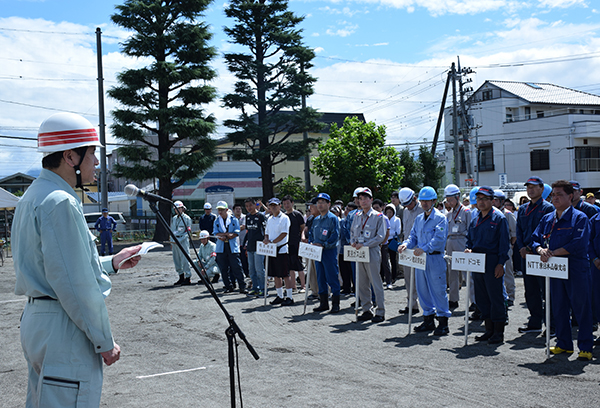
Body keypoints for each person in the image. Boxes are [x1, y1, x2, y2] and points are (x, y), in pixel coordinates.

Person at [13, 112, 142, 408]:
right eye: (93, 152)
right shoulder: (61, 201)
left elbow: (57, 265)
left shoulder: (32, 196)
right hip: (63, 326)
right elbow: (75, 283)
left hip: (38, 321)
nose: (97, 162)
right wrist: (104, 341)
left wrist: (112, 262)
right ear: (70, 156)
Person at [532, 180, 593, 361]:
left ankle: (585, 346)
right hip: (555, 270)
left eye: (560, 195)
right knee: (558, 307)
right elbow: (535, 238)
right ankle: (564, 344)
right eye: (553, 195)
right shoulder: (547, 218)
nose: (555, 198)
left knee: (581, 309)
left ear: (571, 196)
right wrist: (540, 250)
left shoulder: (579, 218)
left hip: (575, 270)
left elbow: (578, 243)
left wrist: (551, 253)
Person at [399, 186, 451, 335]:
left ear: (434, 201)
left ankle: (443, 321)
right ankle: (428, 319)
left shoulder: (440, 218)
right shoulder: (419, 218)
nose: (425, 204)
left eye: (428, 201)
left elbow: (439, 239)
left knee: (438, 290)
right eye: (422, 201)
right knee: (422, 290)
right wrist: (405, 244)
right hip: (420, 259)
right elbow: (412, 236)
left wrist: (424, 248)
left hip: (434, 257)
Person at [466, 186, 510, 344]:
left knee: (495, 297)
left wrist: (500, 263)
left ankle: (498, 332)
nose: (481, 202)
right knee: (482, 297)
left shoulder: (499, 218)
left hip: (492, 262)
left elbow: (504, 244)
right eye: (479, 199)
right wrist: (468, 249)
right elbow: (470, 240)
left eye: (485, 199)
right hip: (477, 261)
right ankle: (488, 330)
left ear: (492, 201)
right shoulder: (475, 218)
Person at [516, 176, 555, 333]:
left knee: (546, 290)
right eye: (528, 187)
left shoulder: (548, 208)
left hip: (542, 255)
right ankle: (535, 322)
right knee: (530, 289)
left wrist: (538, 249)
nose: (530, 190)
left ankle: (551, 324)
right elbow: (519, 230)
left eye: (534, 187)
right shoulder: (523, 209)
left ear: (541, 189)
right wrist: (521, 247)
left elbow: (549, 231)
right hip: (527, 255)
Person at [350, 187, 387, 323]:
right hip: (359, 252)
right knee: (362, 282)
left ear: (371, 200)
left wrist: (365, 245)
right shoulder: (357, 216)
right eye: (360, 199)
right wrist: (353, 242)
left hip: (371, 251)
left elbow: (380, 237)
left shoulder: (378, 216)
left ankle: (380, 311)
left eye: (365, 198)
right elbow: (352, 233)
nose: (363, 201)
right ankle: (367, 310)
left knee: (375, 282)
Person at [309, 193, 341, 313]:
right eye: (318, 202)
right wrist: (312, 243)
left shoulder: (333, 218)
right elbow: (311, 234)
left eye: (323, 202)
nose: (320, 204)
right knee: (320, 277)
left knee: (332, 276)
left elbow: (335, 235)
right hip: (317, 252)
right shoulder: (316, 219)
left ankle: (336, 303)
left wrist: (324, 244)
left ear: (329, 204)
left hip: (328, 251)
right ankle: (323, 303)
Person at [444, 184, 472, 309]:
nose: (449, 202)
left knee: (468, 273)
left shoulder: (466, 212)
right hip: (450, 242)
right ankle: (453, 299)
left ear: (457, 197)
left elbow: (471, 230)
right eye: (447, 200)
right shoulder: (448, 214)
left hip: (462, 241)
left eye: (451, 199)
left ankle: (474, 301)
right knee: (452, 272)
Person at [264, 198, 295, 306]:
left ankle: (290, 297)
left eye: (275, 205)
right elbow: (267, 232)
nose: (273, 207)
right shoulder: (269, 219)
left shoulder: (285, 218)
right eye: (271, 205)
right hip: (272, 250)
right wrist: (266, 239)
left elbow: (284, 233)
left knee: (285, 274)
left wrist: (272, 241)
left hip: (282, 249)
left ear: (279, 206)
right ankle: (280, 296)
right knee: (276, 275)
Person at [213, 201, 247, 294]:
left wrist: (224, 235)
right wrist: (226, 234)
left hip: (232, 246)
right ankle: (228, 286)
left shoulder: (233, 219)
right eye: (219, 210)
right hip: (221, 247)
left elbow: (236, 233)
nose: (220, 212)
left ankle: (242, 286)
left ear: (227, 210)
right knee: (223, 268)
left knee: (236, 266)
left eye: (222, 210)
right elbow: (215, 233)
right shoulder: (216, 220)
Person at [398, 187, 423, 314]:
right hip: (407, 248)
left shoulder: (422, 210)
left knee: (421, 279)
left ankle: (426, 307)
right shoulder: (406, 211)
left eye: (409, 204)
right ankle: (411, 304)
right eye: (405, 205)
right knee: (408, 278)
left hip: (420, 250)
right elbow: (405, 230)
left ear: (414, 198)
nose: (408, 207)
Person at [492, 189, 517, 307]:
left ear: (502, 201)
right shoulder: (490, 213)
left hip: (505, 247)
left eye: (496, 200)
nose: (493, 202)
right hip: (494, 248)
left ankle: (510, 295)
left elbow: (514, 233)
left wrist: (510, 246)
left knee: (508, 272)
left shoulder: (507, 214)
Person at [282, 195, 306, 293]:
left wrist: (301, 239)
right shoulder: (283, 216)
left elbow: (303, 228)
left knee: (299, 265)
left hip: (296, 243)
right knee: (289, 266)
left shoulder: (297, 215)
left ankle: (303, 286)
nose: (286, 205)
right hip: (286, 244)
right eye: (284, 204)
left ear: (292, 203)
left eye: (288, 203)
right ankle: (293, 286)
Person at [244, 197, 267, 296]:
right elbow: (247, 232)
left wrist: (266, 240)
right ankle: (255, 288)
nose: (249, 207)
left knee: (259, 269)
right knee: (251, 270)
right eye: (247, 206)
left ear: (255, 205)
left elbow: (266, 230)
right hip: (250, 247)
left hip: (260, 246)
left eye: (250, 205)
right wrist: (245, 244)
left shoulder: (261, 216)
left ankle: (263, 289)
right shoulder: (247, 217)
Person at [171, 200, 193, 286]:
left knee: (185, 259)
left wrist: (179, 240)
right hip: (174, 241)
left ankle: (188, 277)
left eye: (179, 208)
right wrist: (172, 241)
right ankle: (181, 276)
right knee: (176, 259)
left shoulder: (187, 218)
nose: (177, 210)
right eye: (176, 209)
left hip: (183, 241)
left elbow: (187, 232)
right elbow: (172, 230)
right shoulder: (174, 218)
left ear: (182, 209)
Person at [372, 199, 392, 290]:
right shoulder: (372, 217)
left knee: (385, 263)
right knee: (376, 264)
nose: (375, 209)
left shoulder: (384, 218)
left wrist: (382, 243)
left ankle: (389, 282)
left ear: (382, 208)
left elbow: (387, 233)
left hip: (383, 244)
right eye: (374, 208)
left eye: (377, 207)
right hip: (374, 244)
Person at [339, 202, 358, 294]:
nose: (346, 211)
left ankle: (355, 289)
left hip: (352, 248)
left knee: (352, 270)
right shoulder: (342, 221)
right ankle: (346, 288)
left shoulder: (356, 220)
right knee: (344, 270)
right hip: (342, 249)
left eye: (349, 210)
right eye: (346, 209)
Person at [384, 203, 402, 287]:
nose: (389, 214)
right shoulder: (384, 219)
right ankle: (385, 276)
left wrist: (388, 233)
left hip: (392, 240)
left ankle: (394, 276)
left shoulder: (397, 219)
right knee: (384, 259)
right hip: (385, 240)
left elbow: (398, 231)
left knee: (393, 259)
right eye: (387, 212)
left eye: (390, 212)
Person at [233, 203, 249, 277]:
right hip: (235, 243)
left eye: (239, 209)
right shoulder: (232, 218)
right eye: (236, 209)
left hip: (243, 242)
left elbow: (243, 226)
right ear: (233, 210)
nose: (238, 210)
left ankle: (247, 274)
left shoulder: (245, 217)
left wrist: (234, 229)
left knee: (245, 260)